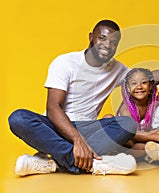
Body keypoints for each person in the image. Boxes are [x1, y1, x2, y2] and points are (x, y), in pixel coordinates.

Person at [8, 20, 138, 176]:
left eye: (113, 42)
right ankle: (93, 165)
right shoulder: (65, 62)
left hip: (88, 129)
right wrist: (77, 140)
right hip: (56, 128)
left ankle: (52, 164)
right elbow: (53, 108)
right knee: (19, 118)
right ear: (91, 37)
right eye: (102, 38)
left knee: (127, 124)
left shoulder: (117, 69)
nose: (107, 45)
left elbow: (146, 78)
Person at [118, 68, 159, 158]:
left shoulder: (154, 104)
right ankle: (119, 154)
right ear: (128, 88)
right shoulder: (126, 108)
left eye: (144, 82)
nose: (139, 86)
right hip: (127, 140)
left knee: (158, 133)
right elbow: (132, 133)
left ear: (151, 86)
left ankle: (148, 154)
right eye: (134, 83)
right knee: (138, 144)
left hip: (143, 139)